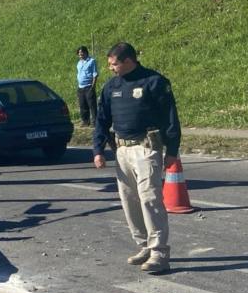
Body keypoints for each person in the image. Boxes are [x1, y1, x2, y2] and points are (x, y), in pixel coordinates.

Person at [92, 43, 181, 275]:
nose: (110, 68)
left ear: (128, 61)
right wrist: (98, 149)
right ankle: (144, 245)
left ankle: (159, 252)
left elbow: (170, 118)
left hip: (146, 149)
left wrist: (172, 150)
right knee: (129, 200)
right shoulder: (111, 87)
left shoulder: (154, 82)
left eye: (114, 64)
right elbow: (101, 119)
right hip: (122, 150)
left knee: (150, 198)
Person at [76, 46, 99, 126]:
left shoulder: (92, 61)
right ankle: (85, 121)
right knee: (83, 105)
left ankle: (95, 122)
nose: (80, 54)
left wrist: (93, 86)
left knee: (92, 105)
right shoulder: (79, 63)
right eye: (79, 53)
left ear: (86, 52)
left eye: (81, 52)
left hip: (89, 86)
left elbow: (95, 74)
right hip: (80, 87)